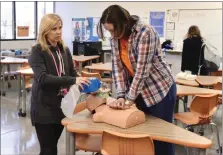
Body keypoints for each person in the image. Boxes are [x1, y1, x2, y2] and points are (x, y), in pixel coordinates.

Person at [97, 5, 176, 155]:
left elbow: (141, 72)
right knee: (141, 136)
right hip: (138, 91)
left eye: (113, 30)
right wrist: (121, 95)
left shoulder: (145, 33)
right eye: (108, 31)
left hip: (159, 90)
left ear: (123, 24)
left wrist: (129, 99)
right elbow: (118, 68)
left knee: (161, 139)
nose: (111, 35)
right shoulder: (116, 38)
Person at [28, 13, 90, 155]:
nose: (58, 32)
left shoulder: (64, 50)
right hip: (43, 108)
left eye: (60, 28)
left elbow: (72, 74)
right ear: (45, 30)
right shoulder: (37, 51)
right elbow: (43, 78)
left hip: (61, 106)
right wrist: (73, 80)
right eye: (53, 29)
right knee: (48, 149)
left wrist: (85, 82)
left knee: (53, 146)